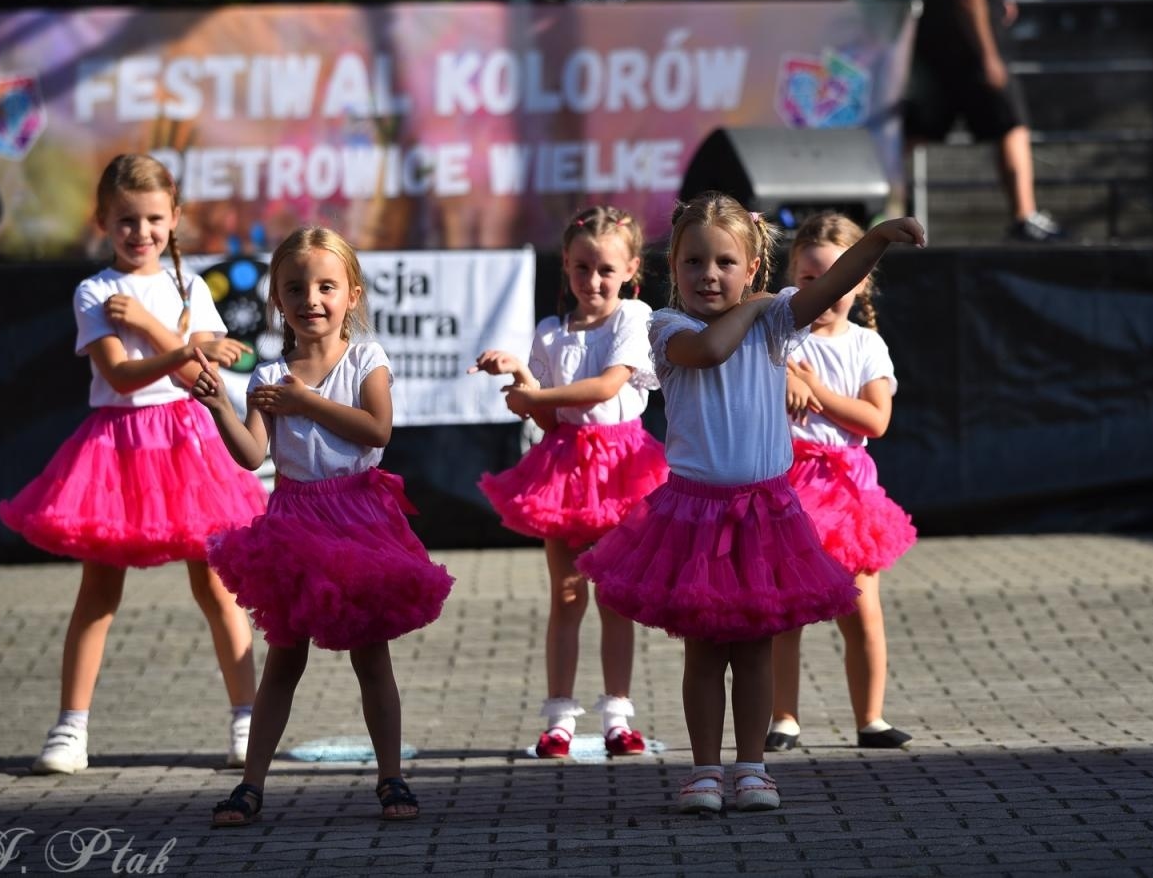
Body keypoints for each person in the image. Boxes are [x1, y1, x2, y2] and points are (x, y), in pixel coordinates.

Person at [577, 192, 926, 814]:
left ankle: (753, 769)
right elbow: (711, 352)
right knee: (706, 650)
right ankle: (705, 771)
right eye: (693, 262)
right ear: (672, 269)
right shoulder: (667, 327)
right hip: (696, 513)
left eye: (725, 263)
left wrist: (874, 241)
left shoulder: (776, 323)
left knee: (758, 648)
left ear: (753, 266)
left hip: (766, 513)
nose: (709, 275)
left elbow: (830, 285)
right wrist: (767, 303)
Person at [0, 153, 266, 777]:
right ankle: (70, 729)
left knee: (217, 586)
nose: (140, 233)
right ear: (102, 221)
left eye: (152, 219)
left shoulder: (189, 287)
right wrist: (185, 347)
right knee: (98, 591)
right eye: (125, 220)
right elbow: (117, 374)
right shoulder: (93, 290)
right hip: (117, 448)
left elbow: (204, 377)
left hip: (190, 446)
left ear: (174, 219)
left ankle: (248, 721)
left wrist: (154, 326)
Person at [192, 226, 454, 826]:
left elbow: (376, 430)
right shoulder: (266, 377)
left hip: (358, 518)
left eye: (326, 286)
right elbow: (253, 455)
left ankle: (391, 777)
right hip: (294, 523)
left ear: (352, 295)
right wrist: (219, 409)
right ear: (277, 302)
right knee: (284, 659)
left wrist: (305, 401)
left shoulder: (366, 358)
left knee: (371, 656)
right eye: (295, 288)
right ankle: (251, 784)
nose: (311, 298)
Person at [469, 205, 668, 759]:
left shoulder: (633, 317)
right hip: (565, 469)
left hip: (624, 469)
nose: (593, 281)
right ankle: (558, 719)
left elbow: (607, 388)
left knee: (616, 599)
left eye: (605, 269)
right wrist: (520, 376)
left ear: (630, 268)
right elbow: (551, 419)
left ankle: (617, 716)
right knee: (566, 595)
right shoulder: (551, 332)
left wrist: (535, 395)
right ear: (567, 268)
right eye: (581, 269)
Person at [767, 212, 918, 754]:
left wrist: (817, 391)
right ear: (792, 280)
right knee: (786, 611)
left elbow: (874, 421)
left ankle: (870, 718)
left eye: (837, 279)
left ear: (862, 280)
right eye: (809, 280)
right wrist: (783, 373)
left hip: (847, 490)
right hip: (787, 486)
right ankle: (783, 717)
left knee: (861, 608)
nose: (824, 291)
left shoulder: (865, 346)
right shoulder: (779, 333)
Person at [909, 0, 1064, 242]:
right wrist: (989, 55)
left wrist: (999, 5)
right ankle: (1024, 217)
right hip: (970, 58)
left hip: (940, 53)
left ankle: (881, 209)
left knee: (917, 132)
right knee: (1012, 125)